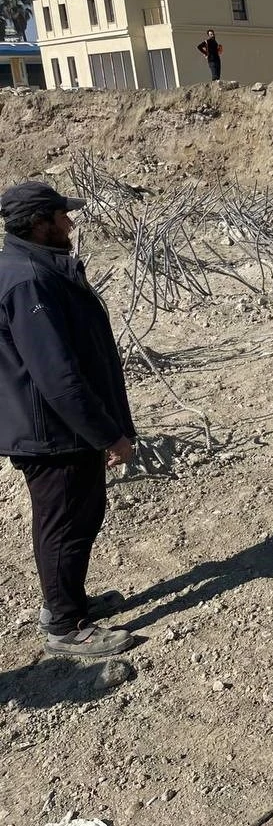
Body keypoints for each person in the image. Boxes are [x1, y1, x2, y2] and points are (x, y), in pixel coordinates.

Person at [0, 182, 137, 658]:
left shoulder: (32, 268)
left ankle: (67, 603)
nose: (71, 223)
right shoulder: (28, 280)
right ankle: (63, 626)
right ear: (40, 224)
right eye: (63, 216)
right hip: (52, 432)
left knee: (77, 517)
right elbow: (58, 378)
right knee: (65, 524)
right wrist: (109, 435)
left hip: (57, 427)